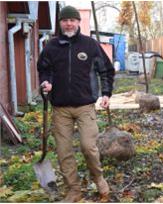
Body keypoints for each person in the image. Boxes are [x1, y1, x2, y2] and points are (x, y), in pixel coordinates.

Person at [37, 6, 115, 202]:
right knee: (64, 152)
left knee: (88, 147)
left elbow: (106, 70)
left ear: (79, 22)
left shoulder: (90, 45)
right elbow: (43, 69)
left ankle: (98, 179)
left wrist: (106, 93)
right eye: (65, 20)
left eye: (73, 20)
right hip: (60, 107)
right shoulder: (51, 47)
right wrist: (45, 82)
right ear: (61, 23)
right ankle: (74, 190)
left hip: (85, 106)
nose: (69, 23)